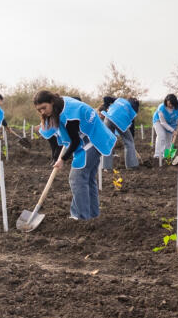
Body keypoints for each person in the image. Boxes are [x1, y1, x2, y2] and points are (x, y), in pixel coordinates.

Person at [33, 91, 117, 221]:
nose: (42, 112)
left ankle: (81, 217)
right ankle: (93, 215)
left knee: (76, 179)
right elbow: (60, 133)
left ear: (52, 102)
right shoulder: (60, 104)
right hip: (93, 137)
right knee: (88, 179)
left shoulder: (69, 116)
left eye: (44, 108)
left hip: (92, 140)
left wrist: (62, 159)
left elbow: (75, 141)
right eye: (39, 110)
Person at [98, 96, 140, 169]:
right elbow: (131, 126)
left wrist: (106, 107)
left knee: (108, 142)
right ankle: (132, 165)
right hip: (119, 121)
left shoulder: (119, 100)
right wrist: (131, 139)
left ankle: (106, 167)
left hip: (108, 117)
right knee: (129, 141)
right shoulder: (133, 109)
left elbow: (106, 98)